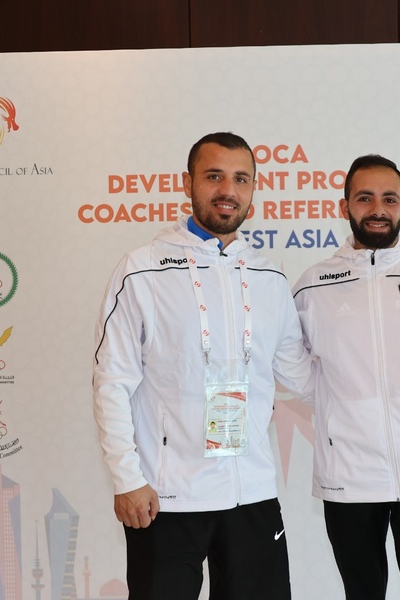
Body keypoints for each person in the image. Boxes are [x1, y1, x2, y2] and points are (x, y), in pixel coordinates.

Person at [93, 131, 310, 599]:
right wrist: (127, 479)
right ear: (188, 182)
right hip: (166, 497)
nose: (227, 190)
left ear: (253, 190)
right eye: (214, 177)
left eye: (240, 179)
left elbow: (304, 373)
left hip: (250, 494)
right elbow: (111, 382)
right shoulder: (141, 270)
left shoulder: (269, 277)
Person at [292, 154, 400, 600]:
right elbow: (293, 365)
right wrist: (336, 400)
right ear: (345, 205)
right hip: (348, 476)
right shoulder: (313, 285)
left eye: (389, 198)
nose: (378, 209)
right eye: (365, 198)